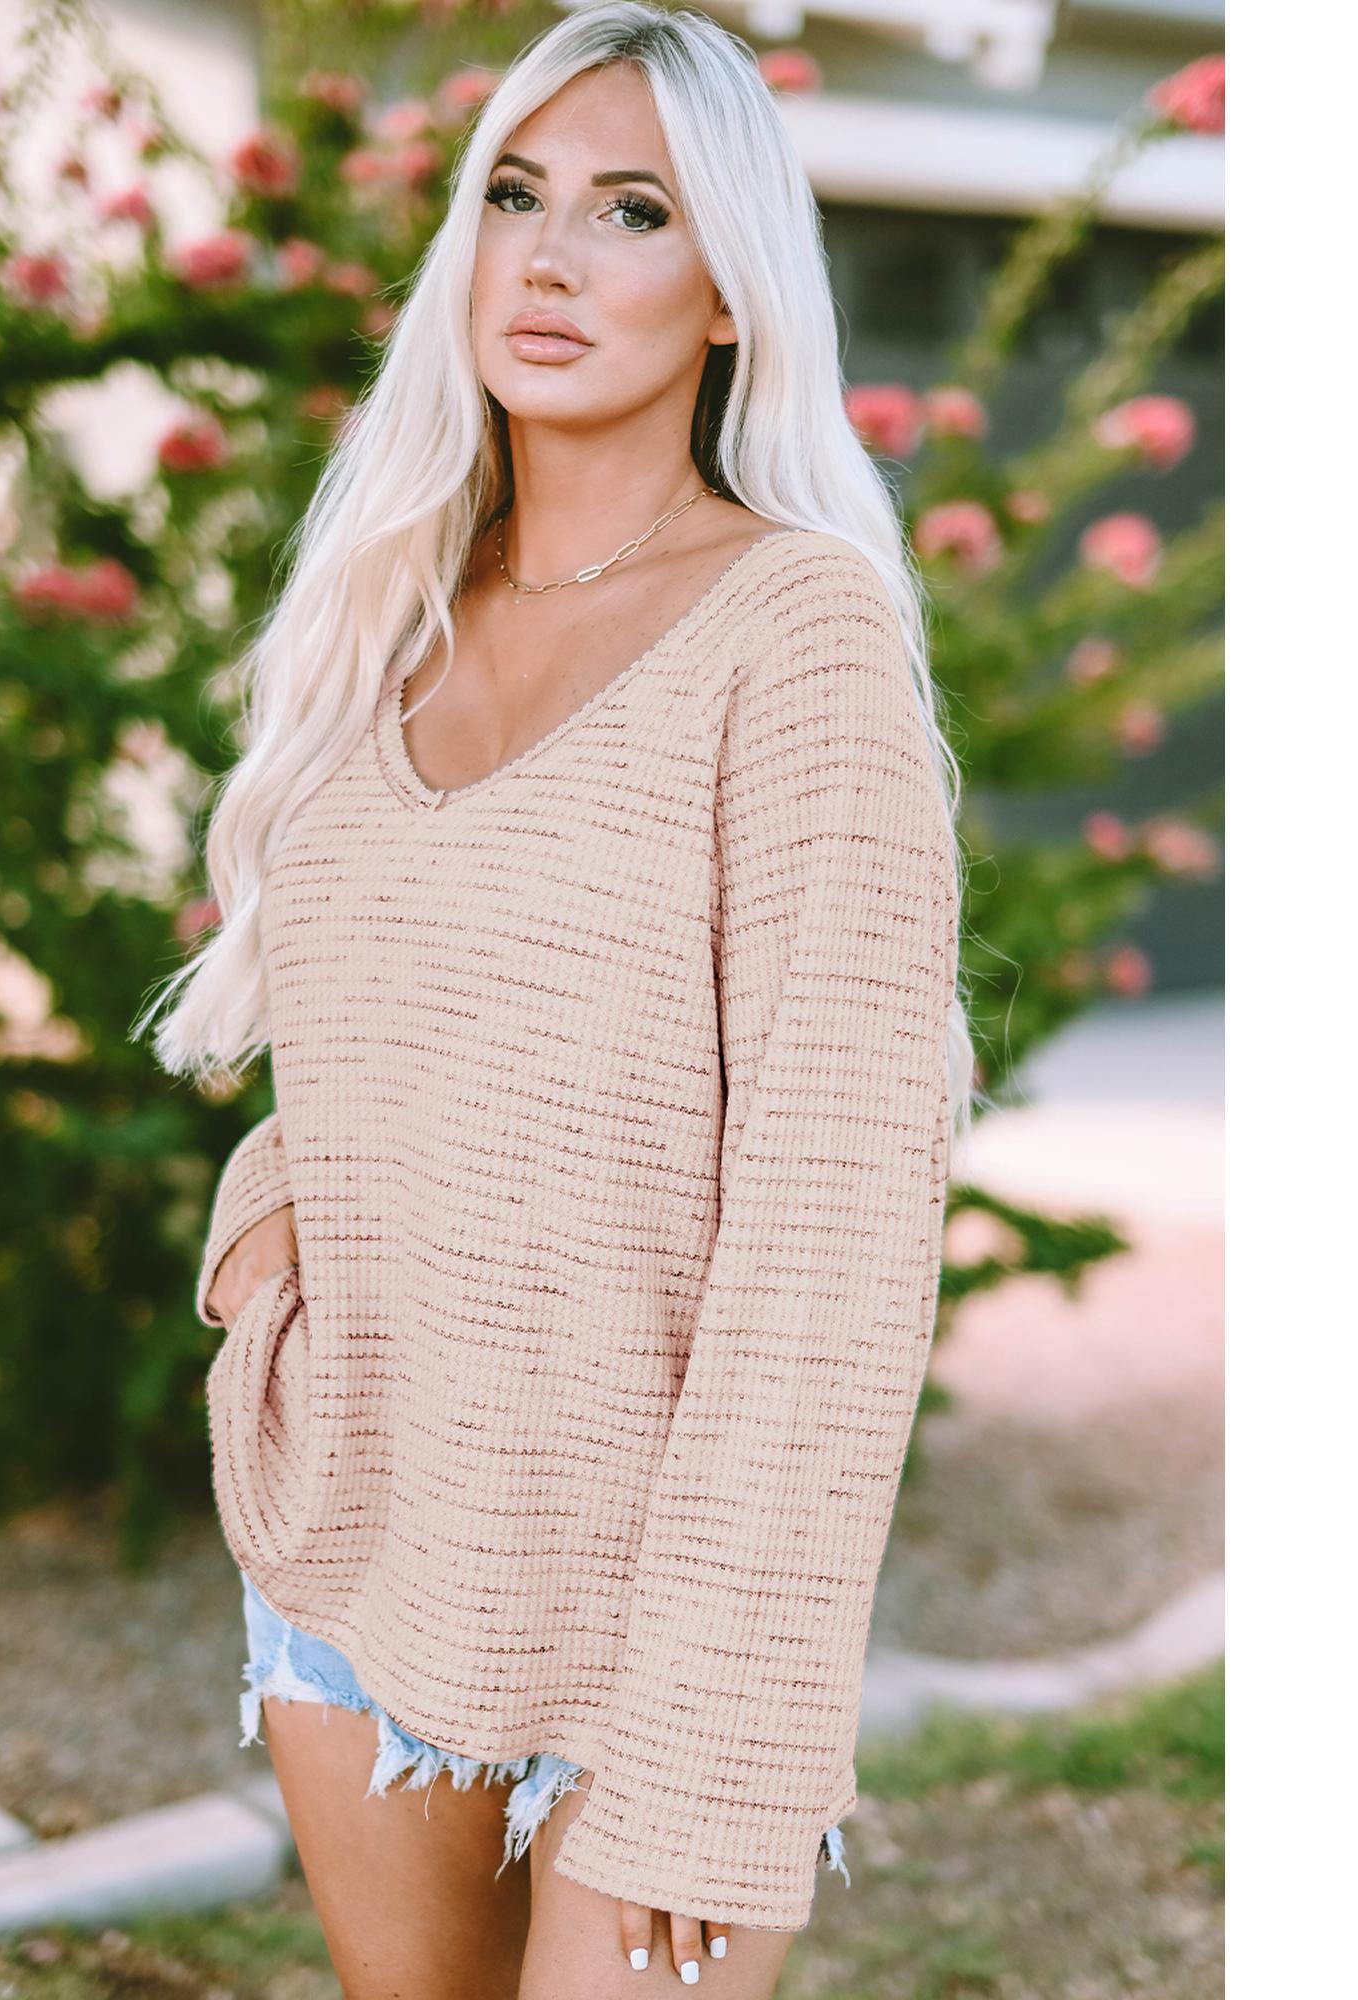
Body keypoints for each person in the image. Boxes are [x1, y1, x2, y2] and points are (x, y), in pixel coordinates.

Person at [137, 7, 975, 1996]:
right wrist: (269, 1237)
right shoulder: (394, 607)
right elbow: (366, 1038)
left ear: (729, 296)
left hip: (658, 1632)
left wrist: (716, 1726)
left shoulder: (794, 634)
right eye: (516, 197)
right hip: (359, 1557)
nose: (550, 257)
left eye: (632, 212)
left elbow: (833, 1234)